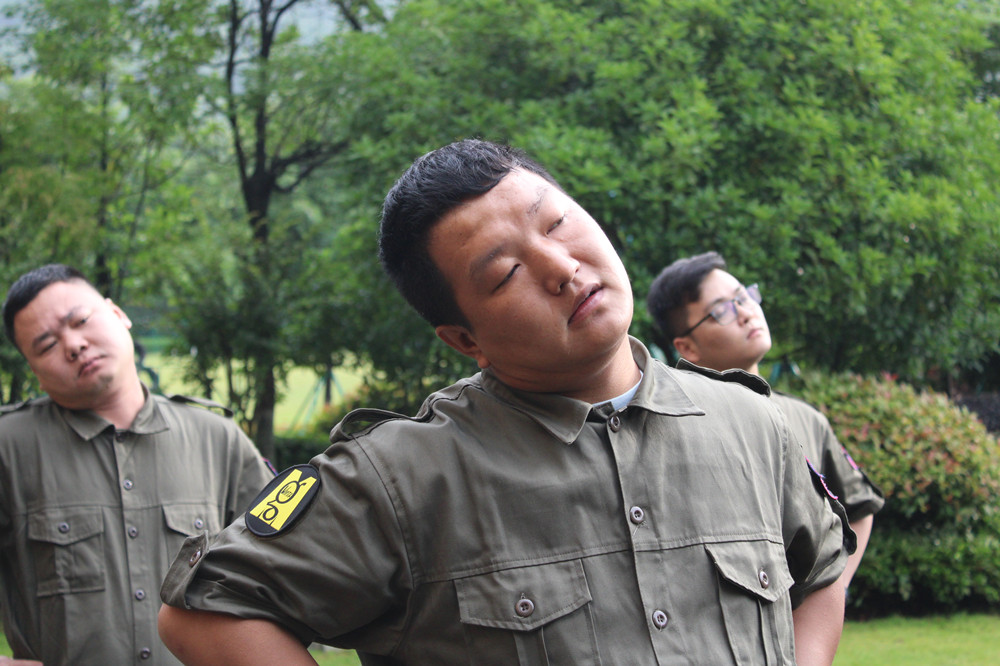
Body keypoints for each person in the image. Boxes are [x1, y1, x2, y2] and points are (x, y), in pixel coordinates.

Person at [158, 139, 853, 665]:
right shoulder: (403, 478)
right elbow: (206, 609)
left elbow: (822, 568)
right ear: (465, 339)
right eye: (506, 272)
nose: (561, 268)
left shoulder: (751, 422)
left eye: (556, 223)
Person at [0, 264, 274, 666]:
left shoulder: (217, 438)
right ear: (35, 373)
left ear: (118, 314)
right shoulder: (9, 447)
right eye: (46, 346)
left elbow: (281, 571)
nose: (73, 345)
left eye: (80, 320)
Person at [646, 251, 884, 593]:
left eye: (743, 297)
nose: (746, 313)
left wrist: (831, 591)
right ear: (687, 347)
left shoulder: (806, 419)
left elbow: (859, 506)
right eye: (722, 310)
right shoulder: (676, 427)